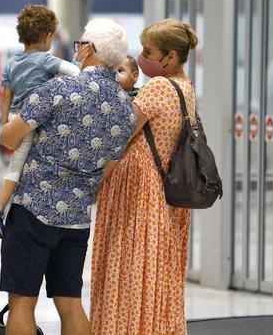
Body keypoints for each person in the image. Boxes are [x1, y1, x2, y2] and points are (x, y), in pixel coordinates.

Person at [0, 18, 136, 335]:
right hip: (76, 220)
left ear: (88, 49)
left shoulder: (57, 89)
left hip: (33, 209)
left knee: (22, 303)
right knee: (70, 302)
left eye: (79, 44)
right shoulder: (125, 109)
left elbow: (8, 138)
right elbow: (107, 170)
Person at [90, 19, 199, 335]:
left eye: (149, 51)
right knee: (154, 273)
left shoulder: (159, 87)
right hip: (162, 193)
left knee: (127, 271)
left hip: (138, 193)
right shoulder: (185, 88)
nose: (142, 57)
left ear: (170, 57)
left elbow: (120, 134)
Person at [0, 4, 80, 239]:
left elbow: (6, 95)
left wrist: (5, 124)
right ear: (47, 37)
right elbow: (75, 73)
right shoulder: (46, 60)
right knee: (16, 167)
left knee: (17, 164)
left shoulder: (12, 62)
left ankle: (1, 206)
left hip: (15, 117)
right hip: (33, 119)